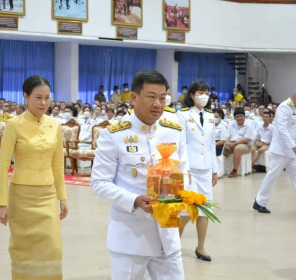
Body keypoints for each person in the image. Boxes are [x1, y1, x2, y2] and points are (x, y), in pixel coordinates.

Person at [91, 70, 187, 280]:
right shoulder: (115, 134)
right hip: (131, 236)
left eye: (163, 98)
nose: (158, 104)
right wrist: (133, 200)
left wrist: (182, 196)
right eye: (151, 97)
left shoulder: (174, 131)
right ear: (134, 97)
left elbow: (184, 172)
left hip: (167, 234)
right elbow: (98, 182)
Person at [0, 75, 68, 279]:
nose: (44, 103)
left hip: (47, 196)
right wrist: (2, 203)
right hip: (21, 197)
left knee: (53, 250)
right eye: (38, 97)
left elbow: (58, 164)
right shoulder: (14, 125)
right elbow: (2, 167)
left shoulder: (55, 125)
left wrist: (62, 197)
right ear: (25, 97)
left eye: (47, 97)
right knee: (24, 252)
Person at [177, 80, 218, 262]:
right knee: (187, 208)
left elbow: (210, 144)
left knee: (205, 208)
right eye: (201, 92)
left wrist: (214, 170)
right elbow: (182, 144)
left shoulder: (210, 116)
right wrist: (184, 168)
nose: (204, 96)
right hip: (190, 168)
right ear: (192, 95)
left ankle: (201, 247)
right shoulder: (183, 115)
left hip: (205, 168)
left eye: (207, 93)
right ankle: (174, 242)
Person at [253, 92, 296, 214]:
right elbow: (282, 129)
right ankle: (260, 202)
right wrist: (293, 146)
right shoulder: (284, 107)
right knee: (272, 176)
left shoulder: (294, 107)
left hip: (292, 150)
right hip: (282, 150)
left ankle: (259, 202)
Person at [223, 107, 255, 178]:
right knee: (224, 147)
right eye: (237, 117)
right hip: (232, 143)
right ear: (234, 117)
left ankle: (234, 171)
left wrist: (233, 144)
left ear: (244, 116)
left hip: (245, 145)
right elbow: (227, 136)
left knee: (237, 148)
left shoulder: (248, 126)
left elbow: (246, 140)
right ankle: (223, 170)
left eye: (241, 116)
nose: (239, 118)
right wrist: (228, 143)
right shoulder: (232, 124)